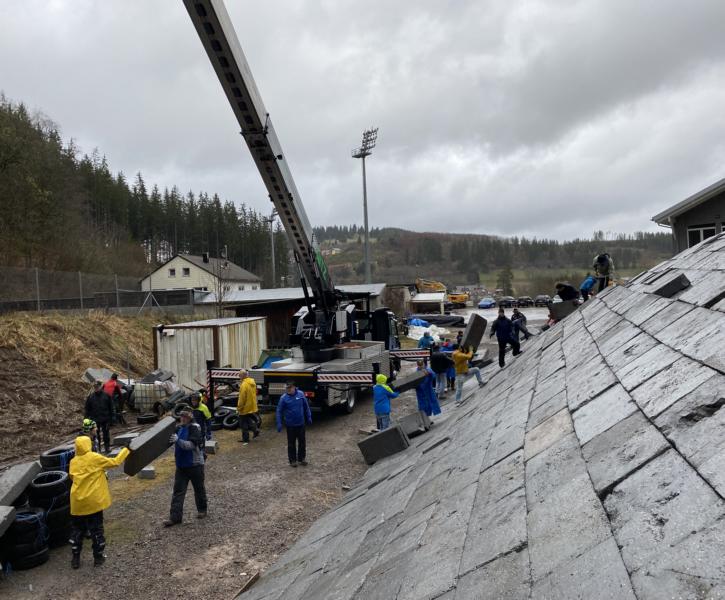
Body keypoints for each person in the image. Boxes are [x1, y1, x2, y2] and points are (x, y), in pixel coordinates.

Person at [69, 435, 130, 568]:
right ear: (88, 445)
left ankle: (75, 559)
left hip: (77, 503)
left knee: (77, 531)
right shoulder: (94, 457)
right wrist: (127, 449)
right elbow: (115, 462)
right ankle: (98, 558)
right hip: (93, 502)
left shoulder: (73, 461)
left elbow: (72, 478)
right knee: (96, 530)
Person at [164, 410, 208, 527]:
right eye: (182, 417)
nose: (183, 419)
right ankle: (175, 518)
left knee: (199, 489)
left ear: (190, 418)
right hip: (181, 466)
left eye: (185, 417)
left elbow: (190, 446)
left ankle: (202, 510)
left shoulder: (195, 428)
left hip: (195, 465)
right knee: (178, 492)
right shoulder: (179, 428)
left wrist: (178, 440)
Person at [276, 381, 312, 467]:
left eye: (290, 388)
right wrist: (279, 422)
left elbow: (306, 407)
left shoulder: (301, 394)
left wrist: (309, 416)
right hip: (290, 425)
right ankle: (292, 460)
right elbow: (279, 411)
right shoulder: (283, 398)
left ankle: (302, 458)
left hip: (301, 423)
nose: (288, 390)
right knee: (291, 444)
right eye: (287, 388)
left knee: (302, 442)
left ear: (294, 387)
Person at [84, 381, 113, 454]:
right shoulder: (90, 397)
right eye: (95, 387)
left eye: (97, 387)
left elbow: (111, 408)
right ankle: (98, 449)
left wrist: (111, 419)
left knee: (106, 434)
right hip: (95, 419)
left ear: (101, 386)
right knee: (96, 436)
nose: (96, 388)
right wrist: (86, 420)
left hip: (105, 419)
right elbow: (87, 409)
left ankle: (107, 448)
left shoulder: (106, 396)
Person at [237, 369, 259, 445]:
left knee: (243, 423)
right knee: (247, 419)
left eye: (240, 375)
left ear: (242, 375)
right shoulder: (252, 382)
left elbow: (242, 398)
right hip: (251, 405)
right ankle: (255, 430)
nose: (239, 377)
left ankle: (245, 439)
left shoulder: (244, 385)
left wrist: (239, 407)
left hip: (245, 407)